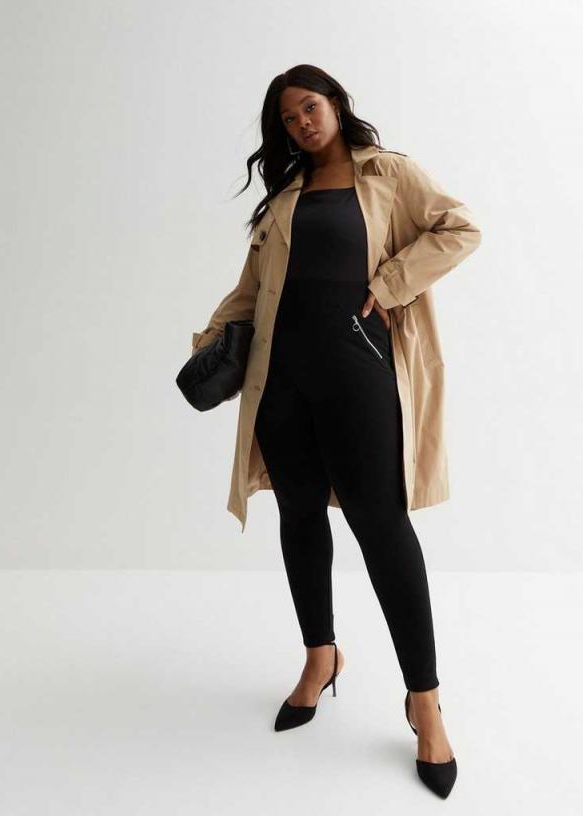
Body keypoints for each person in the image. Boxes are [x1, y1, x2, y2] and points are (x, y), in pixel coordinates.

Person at [196, 64, 482, 799]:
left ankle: (425, 701)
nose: (301, 123)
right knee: (298, 516)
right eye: (288, 118)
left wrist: (388, 285)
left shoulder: (388, 172)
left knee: (382, 526)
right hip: (282, 382)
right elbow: (252, 290)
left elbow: (460, 228)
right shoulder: (284, 198)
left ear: (335, 104)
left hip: (359, 372)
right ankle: (320, 657)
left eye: (309, 107)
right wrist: (209, 344)